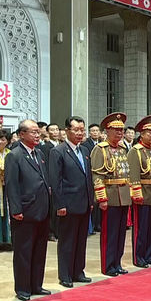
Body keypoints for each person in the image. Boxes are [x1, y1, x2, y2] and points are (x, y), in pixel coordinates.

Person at [5, 119, 51, 301]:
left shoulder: (39, 153)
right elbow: (12, 185)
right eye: (33, 132)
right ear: (22, 134)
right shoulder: (14, 155)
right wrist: (16, 209)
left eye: (38, 132)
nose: (37, 135)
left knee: (40, 250)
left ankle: (36, 284)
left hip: (42, 208)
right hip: (25, 210)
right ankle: (23, 288)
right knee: (24, 251)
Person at [49, 116, 94, 287]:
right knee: (67, 242)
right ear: (67, 131)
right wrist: (60, 204)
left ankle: (78, 271)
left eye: (82, 130)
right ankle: (65, 275)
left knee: (81, 240)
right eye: (76, 130)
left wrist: (91, 200)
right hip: (67, 204)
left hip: (84, 203)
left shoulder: (84, 151)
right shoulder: (58, 151)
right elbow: (56, 180)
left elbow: (88, 177)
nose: (80, 133)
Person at [90, 113, 131, 276]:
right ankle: (108, 265)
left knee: (121, 233)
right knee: (110, 234)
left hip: (123, 196)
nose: (119, 133)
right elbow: (97, 176)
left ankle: (117, 262)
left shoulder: (122, 149)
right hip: (110, 196)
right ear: (107, 131)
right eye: (116, 130)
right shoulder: (100, 149)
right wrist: (102, 198)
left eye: (121, 130)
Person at [127, 116, 151, 266]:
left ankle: (149, 254)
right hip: (143, 193)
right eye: (150, 133)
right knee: (141, 228)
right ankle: (139, 257)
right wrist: (136, 194)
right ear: (141, 134)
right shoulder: (136, 151)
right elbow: (133, 175)